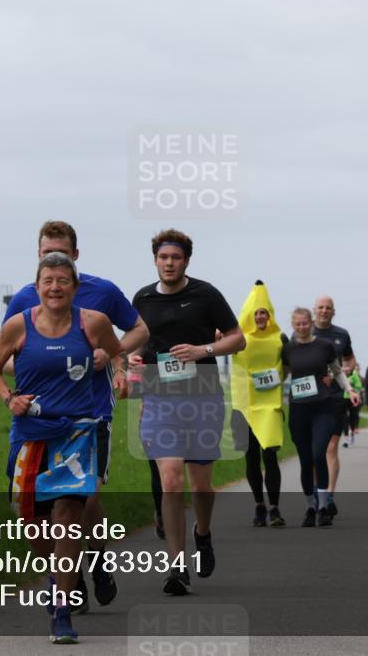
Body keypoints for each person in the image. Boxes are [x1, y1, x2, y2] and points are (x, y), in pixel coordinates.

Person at [2, 220, 149, 610]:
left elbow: (138, 331)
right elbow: (9, 357)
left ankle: (97, 558)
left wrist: (108, 357)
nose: (55, 261)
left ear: (76, 257)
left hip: (93, 410)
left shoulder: (102, 293)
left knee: (86, 494)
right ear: (37, 258)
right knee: (46, 506)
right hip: (42, 417)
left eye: (63, 254)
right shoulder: (23, 299)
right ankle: (72, 577)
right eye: (47, 254)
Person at [0, 252, 128, 644]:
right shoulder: (19, 325)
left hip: (77, 433)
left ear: (74, 286)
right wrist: (8, 398)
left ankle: (62, 609)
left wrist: (121, 373)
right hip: (30, 433)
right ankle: (55, 574)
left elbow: (118, 351)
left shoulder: (92, 323)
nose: (55, 287)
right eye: (48, 280)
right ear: (38, 286)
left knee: (68, 514)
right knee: (31, 520)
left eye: (63, 280)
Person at [130, 229, 245, 595]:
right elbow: (134, 341)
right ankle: (177, 566)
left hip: (202, 396)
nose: (169, 263)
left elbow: (237, 338)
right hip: (160, 398)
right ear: (155, 260)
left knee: (201, 485)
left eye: (175, 258)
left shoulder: (206, 294)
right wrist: (129, 357)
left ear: (186, 261)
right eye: (163, 257)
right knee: (170, 479)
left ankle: (203, 533)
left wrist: (203, 351)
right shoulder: (143, 298)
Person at [284, 307, 361, 528]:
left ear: (311, 323)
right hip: (299, 410)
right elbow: (283, 374)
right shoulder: (288, 349)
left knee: (320, 454)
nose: (301, 327)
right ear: (293, 325)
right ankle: (310, 506)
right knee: (306, 461)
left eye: (305, 323)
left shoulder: (324, 346)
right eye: (297, 324)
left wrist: (350, 390)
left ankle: (323, 506)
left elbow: (337, 371)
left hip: (322, 408)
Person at [231, 281, 287, 528]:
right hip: (243, 406)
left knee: (270, 456)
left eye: (264, 312)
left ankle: (274, 508)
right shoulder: (237, 338)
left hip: (269, 406)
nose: (260, 317)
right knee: (251, 459)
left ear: (270, 314)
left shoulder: (280, 337)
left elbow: (291, 363)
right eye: (256, 313)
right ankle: (259, 506)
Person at [311, 296, 354, 517]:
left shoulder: (342, 334)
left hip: (335, 397)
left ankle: (328, 496)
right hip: (311, 399)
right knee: (315, 451)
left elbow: (350, 360)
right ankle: (317, 495)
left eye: (328, 308)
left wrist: (347, 370)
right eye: (321, 307)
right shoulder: (304, 332)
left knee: (330, 447)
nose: (324, 311)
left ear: (333, 311)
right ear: (314, 310)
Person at [341, 358, 364, 448]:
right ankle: (346, 438)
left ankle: (352, 432)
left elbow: (359, 385)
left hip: (353, 398)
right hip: (343, 398)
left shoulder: (354, 374)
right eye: (345, 366)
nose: (347, 368)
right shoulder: (340, 374)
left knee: (353, 416)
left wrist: (352, 383)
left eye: (348, 366)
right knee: (345, 417)